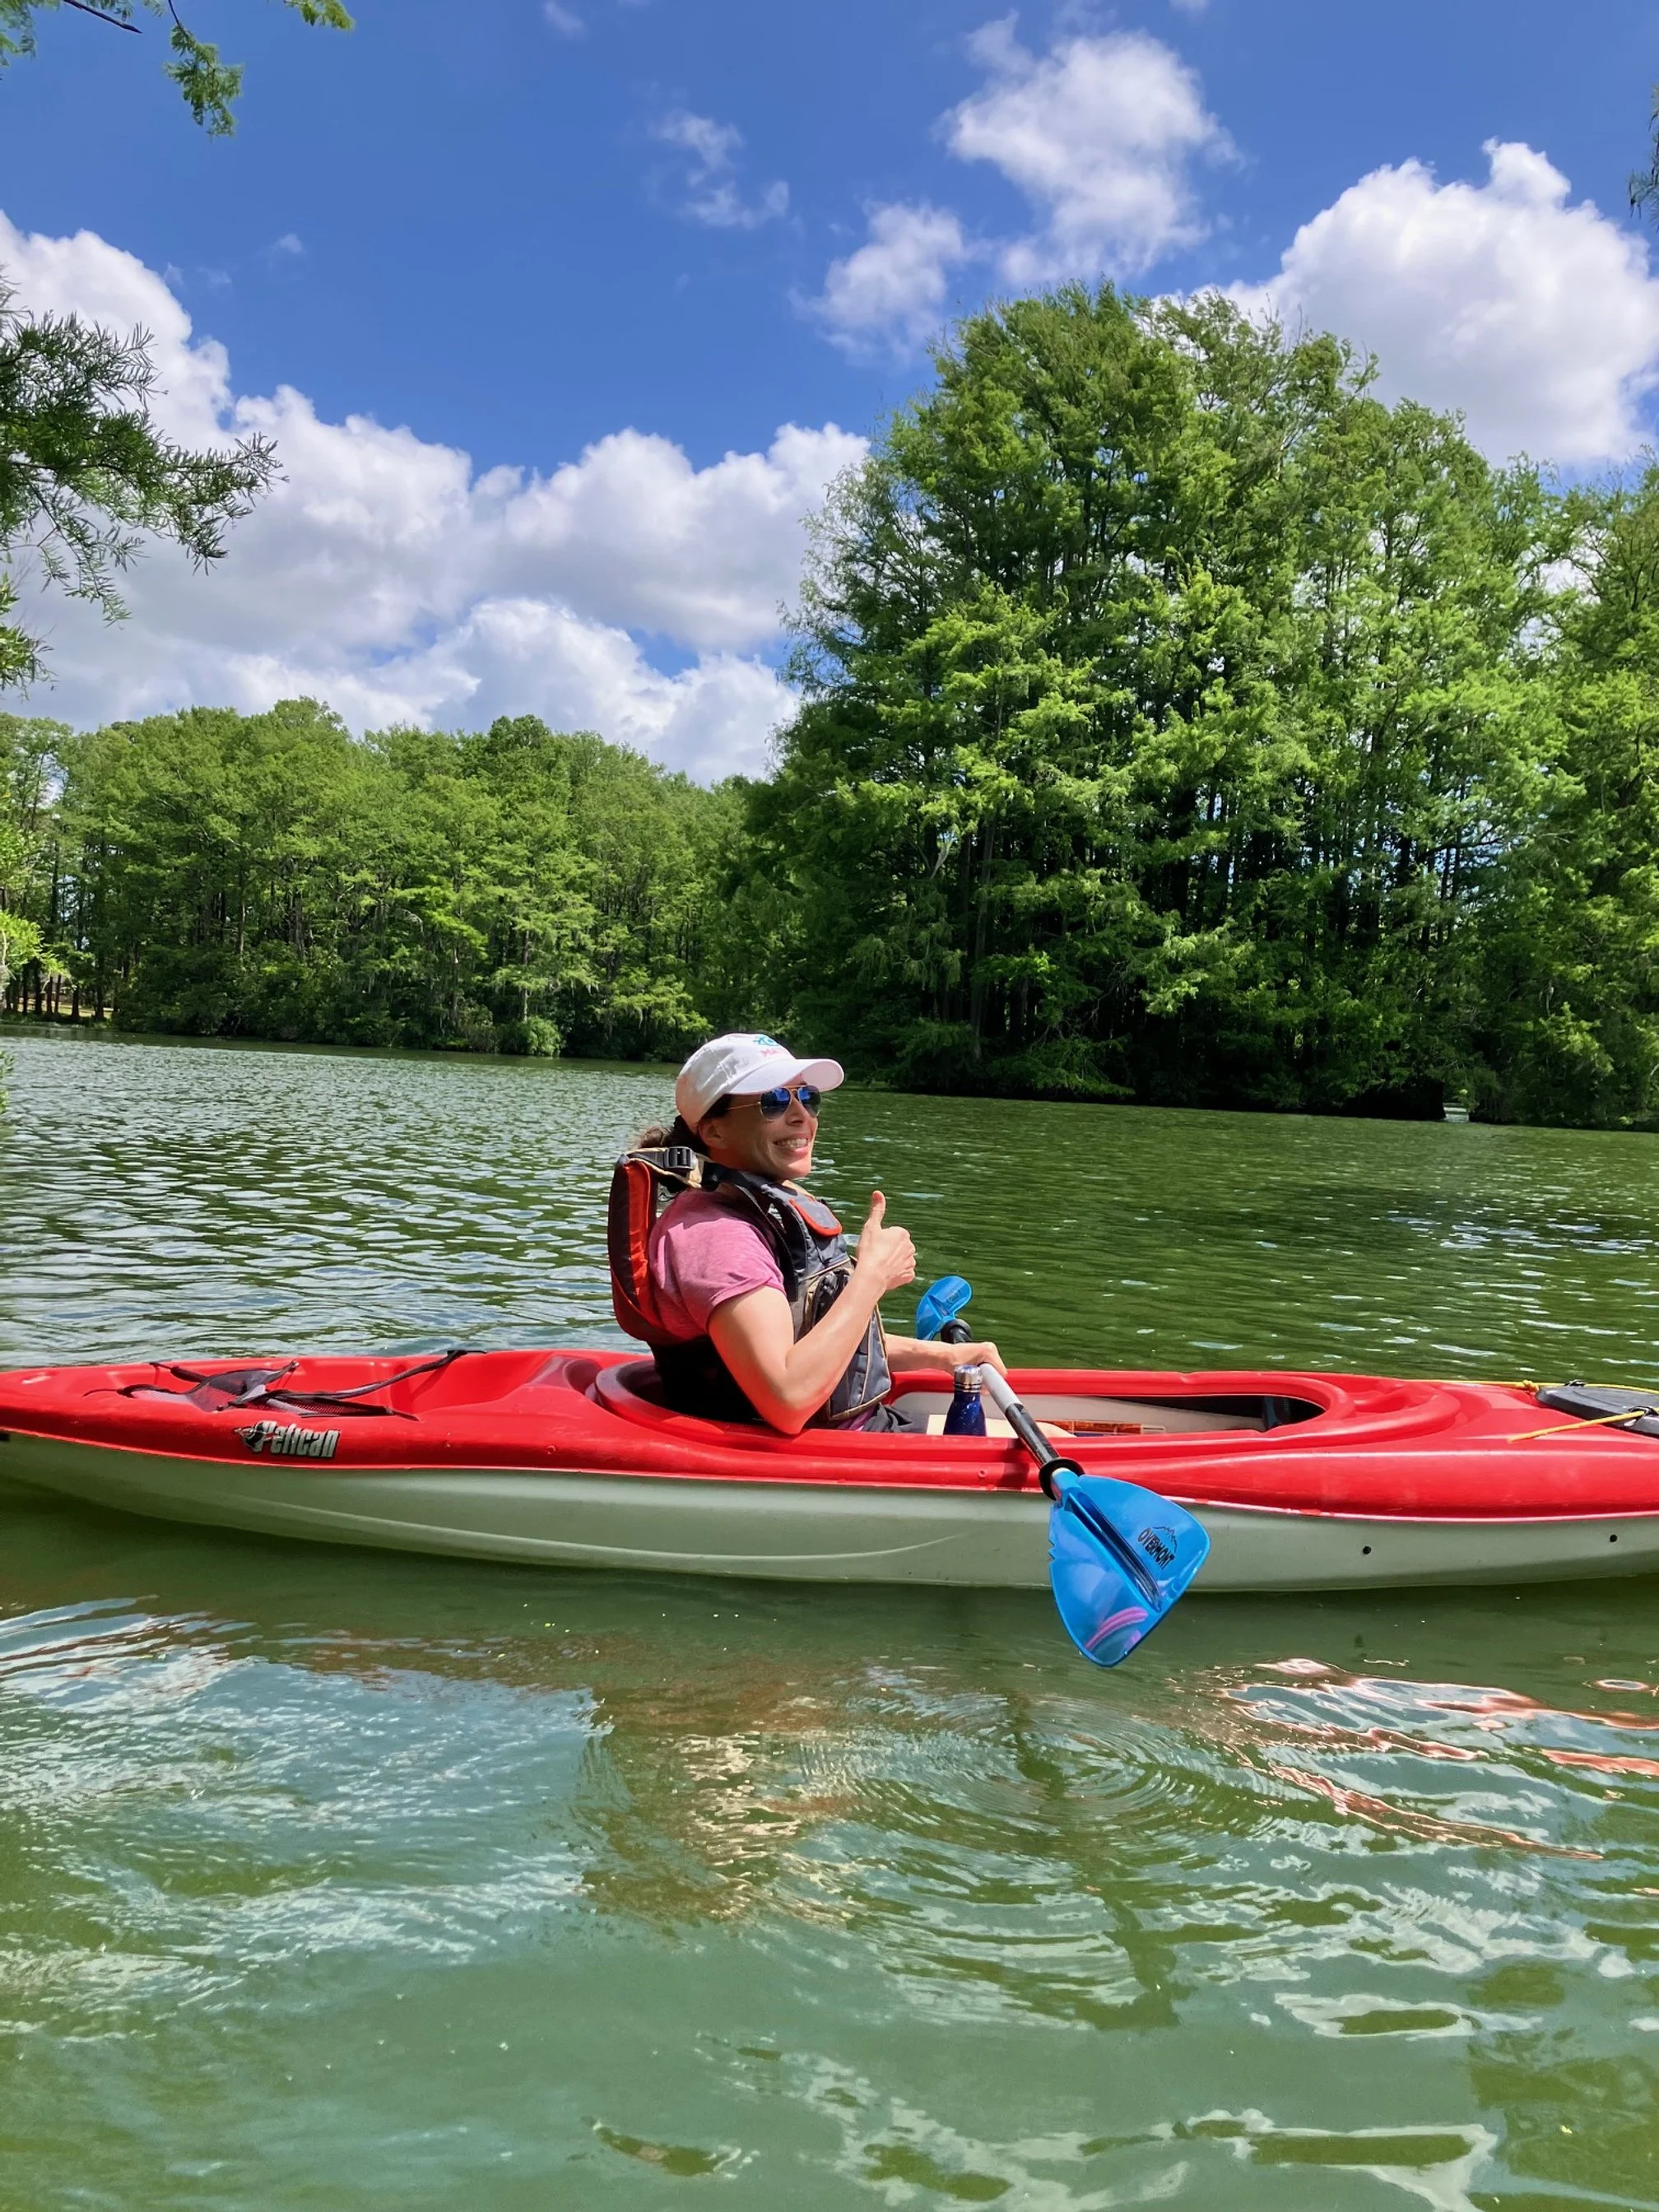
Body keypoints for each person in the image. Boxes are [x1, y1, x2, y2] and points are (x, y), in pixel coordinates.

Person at [612, 1032, 1004, 1434]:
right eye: (774, 1102)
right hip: (836, 1455)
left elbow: (817, 1343)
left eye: (807, 1097)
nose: (802, 1115)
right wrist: (871, 1277)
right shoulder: (719, 1238)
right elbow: (787, 1399)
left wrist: (943, 1356)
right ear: (714, 1132)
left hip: (863, 1429)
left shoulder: (755, 1209)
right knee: (1064, 1452)